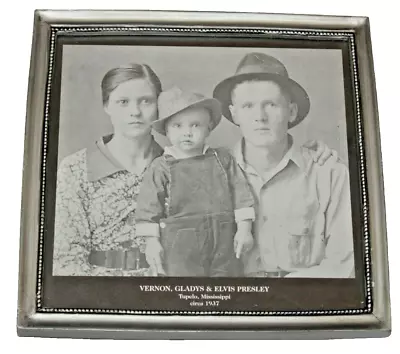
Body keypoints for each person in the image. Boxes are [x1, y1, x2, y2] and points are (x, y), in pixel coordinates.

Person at [213, 52, 355, 278]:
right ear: (234, 113)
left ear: (291, 111)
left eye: (271, 104)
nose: (260, 116)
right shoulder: (212, 172)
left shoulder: (329, 174)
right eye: (248, 106)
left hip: (301, 302)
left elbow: (343, 263)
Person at [52, 63, 163, 276]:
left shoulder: (176, 165)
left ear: (159, 105)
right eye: (123, 102)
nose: (135, 112)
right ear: (107, 106)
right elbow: (66, 262)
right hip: (100, 296)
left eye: (146, 101)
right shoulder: (76, 169)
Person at [135, 87, 255, 277]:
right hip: (181, 247)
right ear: (166, 130)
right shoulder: (161, 167)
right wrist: (152, 242)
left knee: (226, 289)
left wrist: (244, 229)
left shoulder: (223, 159)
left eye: (196, 125)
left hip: (224, 240)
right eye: (178, 126)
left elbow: (242, 195)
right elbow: (148, 210)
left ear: (209, 128)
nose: (187, 133)